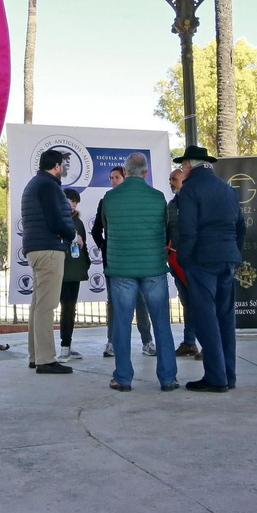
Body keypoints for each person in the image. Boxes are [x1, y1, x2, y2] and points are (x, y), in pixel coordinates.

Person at [100, 153, 180, 391]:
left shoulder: (110, 198)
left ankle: (123, 378)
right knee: (161, 323)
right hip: (153, 268)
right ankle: (168, 378)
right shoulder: (158, 197)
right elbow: (167, 230)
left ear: (125, 172)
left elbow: (106, 228)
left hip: (121, 268)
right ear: (146, 173)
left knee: (121, 323)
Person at [174, 144, 246, 392]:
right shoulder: (227, 189)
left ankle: (216, 377)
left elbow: (188, 230)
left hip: (202, 260)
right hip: (227, 257)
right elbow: (241, 226)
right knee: (225, 317)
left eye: (182, 166)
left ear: (187, 166)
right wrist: (233, 251)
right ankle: (229, 375)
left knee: (205, 318)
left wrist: (184, 259)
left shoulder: (190, 189)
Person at [22, 148, 76, 374]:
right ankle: (45, 360)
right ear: (56, 166)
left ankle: (36, 356)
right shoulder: (48, 186)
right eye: (63, 165)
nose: (63, 169)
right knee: (46, 306)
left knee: (38, 305)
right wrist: (73, 235)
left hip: (36, 249)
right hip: (49, 249)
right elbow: (55, 220)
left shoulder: (35, 183)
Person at [93, 166, 156, 359]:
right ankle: (112, 341)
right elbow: (96, 230)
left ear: (125, 177)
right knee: (114, 302)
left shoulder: (137, 199)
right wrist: (105, 246)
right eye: (111, 178)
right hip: (114, 261)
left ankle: (147, 341)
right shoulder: (106, 201)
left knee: (141, 301)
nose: (113, 181)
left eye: (117, 177)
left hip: (137, 259)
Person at [168, 167, 201, 358]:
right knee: (187, 302)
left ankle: (209, 344)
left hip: (196, 261)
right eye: (170, 179)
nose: (171, 183)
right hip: (177, 261)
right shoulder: (171, 205)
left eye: (174, 179)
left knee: (202, 302)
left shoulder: (196, 201)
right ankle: (189, 342)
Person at [55, 189, 91, 362]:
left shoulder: (78, 222)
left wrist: (85, 264)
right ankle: (64, 347)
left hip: (74, 270)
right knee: (64, 308)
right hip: (61, 269)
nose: (74, 205)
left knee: (70, 308)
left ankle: (67, 345)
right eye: (71, 201)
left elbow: (83, 245)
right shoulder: (57, 219)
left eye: (75, 202)